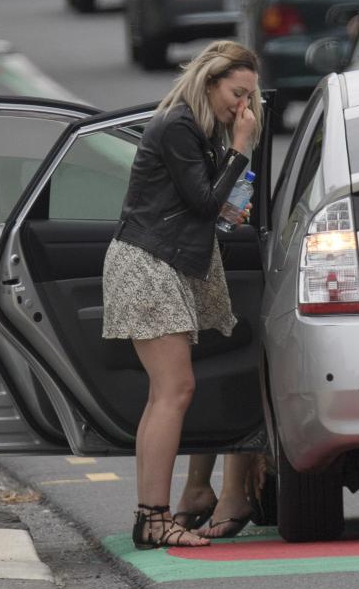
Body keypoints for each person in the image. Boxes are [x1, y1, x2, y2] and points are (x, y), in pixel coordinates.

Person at [101, 40, 263, 549]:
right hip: (149, 263)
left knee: (167, 395)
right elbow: (203, 201)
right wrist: (241, 146)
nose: (245, 108)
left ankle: (153, 517)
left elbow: (207, 204)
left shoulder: (196, 129)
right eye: (238, 95)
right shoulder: (178, 125)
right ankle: (154, 517)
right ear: (210, 83)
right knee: (175, 392)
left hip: (162, 260)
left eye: (251, 100)